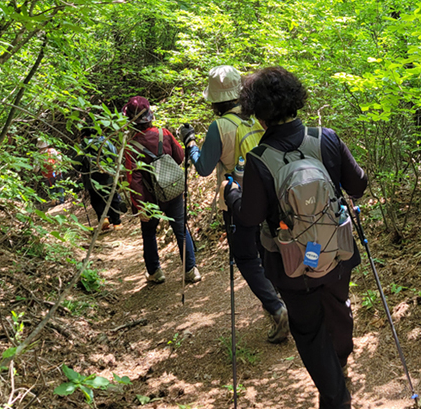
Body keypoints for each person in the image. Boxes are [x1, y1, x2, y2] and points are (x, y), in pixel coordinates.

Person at [224, 67, 367, 409]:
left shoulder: (259, 159)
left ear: (256, 111)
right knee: (338, 309)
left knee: (308, 329)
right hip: (337, 253)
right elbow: (359, 185)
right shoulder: (327, 138)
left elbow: (251, 217)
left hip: (293, 266)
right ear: (296, 98)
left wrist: (232, 194)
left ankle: (335, 395)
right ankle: (339, 366)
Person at [178, 65, 289, 343]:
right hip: (271, 195)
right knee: (269, 249)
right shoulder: (257, 119)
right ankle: (281, 300)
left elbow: (203, 167)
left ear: (215, 100)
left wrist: (190, 143)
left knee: (246, 257)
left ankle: (277, 309)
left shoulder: (220, 126)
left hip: (238, 199)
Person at [123, 95, 201, 285]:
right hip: (172, 192)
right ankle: (191, 270)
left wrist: (140, 207)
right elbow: (180, 157)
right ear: (150, 115)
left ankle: (155, 272)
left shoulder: (131, 146)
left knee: (149, 233)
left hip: (150, 199)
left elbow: (134, 179)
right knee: (181, 230)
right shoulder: (163, 134)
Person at [72, 128, 127, 232]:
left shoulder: (82, 146)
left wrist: (79, 170)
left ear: (84, 135)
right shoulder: (106, 142)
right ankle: (117, 223)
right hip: (108, 175)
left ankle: (104, 219)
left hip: (90, 178)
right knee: (112, 197)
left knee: (96, 199)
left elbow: (75, 163)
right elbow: (115, 155)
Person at [36, 138, 65, 205]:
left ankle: (53, 200)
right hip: (57, 171)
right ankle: (61, 201)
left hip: (47, 174)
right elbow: (60, 159)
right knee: (60, 185)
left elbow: (36, 168)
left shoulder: (38, 155)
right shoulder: (52, 151)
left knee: (51, 186)